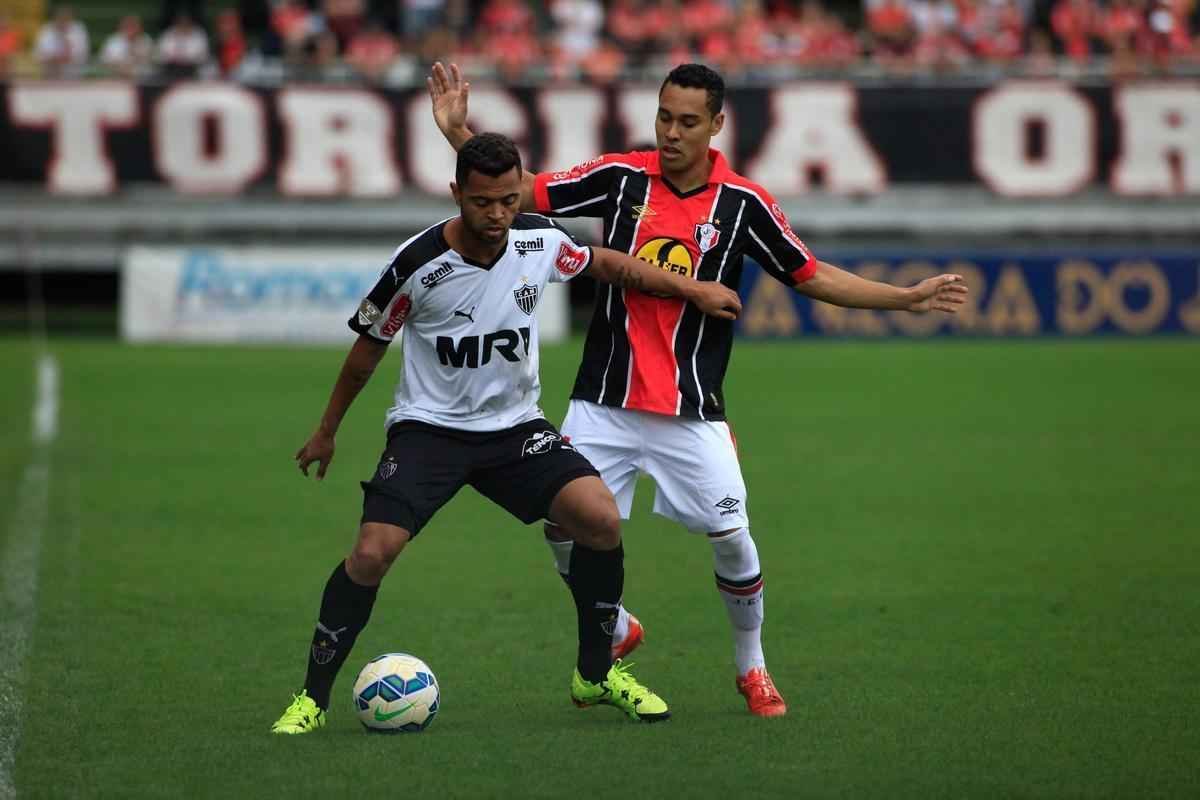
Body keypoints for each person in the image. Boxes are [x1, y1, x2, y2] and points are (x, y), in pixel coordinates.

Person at [427, 62, 968, 717]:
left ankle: (752, 667)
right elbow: (519, 193)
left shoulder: (742, 203)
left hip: (691, 410)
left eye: (688, 122)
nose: (672, 133)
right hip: (603, 398)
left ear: (716, 125)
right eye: (664, 117)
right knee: (560, 523)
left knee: (733, 536)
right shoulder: (620, 177)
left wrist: (903, 299)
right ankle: (617, 624)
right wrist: (461, 136)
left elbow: (809, 273)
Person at [270, 132, 743, 734]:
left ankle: (596, 675)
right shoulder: (418, 264)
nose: (496, 215)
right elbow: (368, 349)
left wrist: (690, 287)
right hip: (430, 432)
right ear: (455, 194)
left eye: (507, 200)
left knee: (597, 518)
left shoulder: (537, 241)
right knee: (371, 553)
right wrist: (327, 430)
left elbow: (604, 262)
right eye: (481, 202)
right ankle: (311, 699)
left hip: (515, 430)